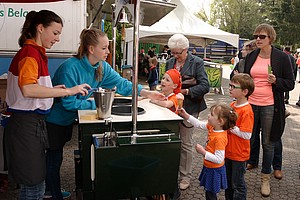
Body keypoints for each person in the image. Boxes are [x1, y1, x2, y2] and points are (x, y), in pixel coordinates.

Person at [44, 28, 165, 200]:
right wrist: (96, 104)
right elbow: (68, 103)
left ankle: (54, 188)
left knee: (58, 156)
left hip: (69, 120)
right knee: (54, 158)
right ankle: (51, 193)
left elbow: (122, 84)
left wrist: (145, 93)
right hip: (55, 120)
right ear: (91, 49)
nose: (108, 51)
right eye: (104, 48)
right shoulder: (69, 68)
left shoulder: (102, 67)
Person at [4, 10, 90, 200]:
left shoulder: (35, 53)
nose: (57, 39)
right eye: (55, 33)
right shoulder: (30, 53)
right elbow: (28, 89)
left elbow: (33, 86)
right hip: (26, 125)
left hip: (31, 125)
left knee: (35, 182)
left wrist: (51, 87)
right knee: (34, 186)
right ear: (40, 28)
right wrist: (68, 91)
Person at [244, 23, 295, 197]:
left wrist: (276, 81)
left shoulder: (281, 57)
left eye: (262, 36)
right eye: (256, 36)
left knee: (268, 142)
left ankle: (266, 177)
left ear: (270, 38)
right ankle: (250, 163)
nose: (258, 39)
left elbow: (290, 83)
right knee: (250, 138)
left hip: (270, 106)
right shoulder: (251, 56)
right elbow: (247, 79)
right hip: (251, 104)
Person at [165, 33, 210, 190]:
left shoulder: (197, 62)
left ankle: (185, 176)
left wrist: (185, 92)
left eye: (179, 52)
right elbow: (166, 82)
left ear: (186, 49)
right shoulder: (170, 62)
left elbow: (205, 86)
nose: (176, 56)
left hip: (189, 108)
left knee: (185, 143)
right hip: (170, 108)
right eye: (173, 52)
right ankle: (169, 173)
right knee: (170, 141)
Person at [179, 103, 238, 200]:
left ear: (220, 121)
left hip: (214, 169)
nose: (208, 115)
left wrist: (203, 152)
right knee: (209, 192)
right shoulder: (213, 127)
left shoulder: (220, 138)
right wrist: (186, 116)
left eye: (211, 114)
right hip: (209, 166)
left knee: (211, 194)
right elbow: (199, 124)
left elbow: (219, 159)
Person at [225, 73, 255, 200]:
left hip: (239, 154)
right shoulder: (232, 106)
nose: (230, 88)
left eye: (233, 87)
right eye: (230, 85)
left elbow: (247, 135)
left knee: (238, 184)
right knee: (228, 183)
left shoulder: (246, 111)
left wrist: (230, 126)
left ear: (245, 91)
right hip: (228, 152)